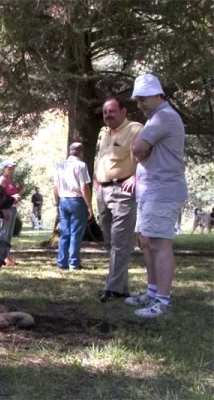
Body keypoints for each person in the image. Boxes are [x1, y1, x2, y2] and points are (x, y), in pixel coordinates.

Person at [127, 73, 188, 318]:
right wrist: (140, 150)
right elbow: (137, 152)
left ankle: (162, 301)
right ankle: (152, 292)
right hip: (150, 190)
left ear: (157, 94)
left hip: (162, 190)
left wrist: (141, 149)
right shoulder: (156, 118)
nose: (139, 104)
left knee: (160, 244)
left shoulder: (164, 117)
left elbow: (136, 149)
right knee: (147, 242)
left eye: (143, 99)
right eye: (137, 100)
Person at [95, 98, 144, 302]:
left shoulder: (135, 129)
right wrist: (97, 181)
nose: (108, 115)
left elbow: (146, 155)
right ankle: (120, 287)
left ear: (123, 111)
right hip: (103, 191)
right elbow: (103, 159)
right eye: (105, 112)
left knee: (121, 241)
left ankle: (113, 288)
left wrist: (136, 176)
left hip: (122, 190)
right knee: (109, 240)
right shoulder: (104, 133)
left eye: (112, 111)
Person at [53, 142, 92, 271]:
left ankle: (62, 262)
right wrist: (89, 206)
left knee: (65, 233)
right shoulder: (81, 165)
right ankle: (74, 263)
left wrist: (57, 202)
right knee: (76, 233)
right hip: (77, 200)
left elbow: (55, 187)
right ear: (80, 152)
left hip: (63, 200)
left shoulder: (60, 165)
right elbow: (84, 187)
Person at [0, 159, 23, 266]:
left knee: (8, 234)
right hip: (5, 209)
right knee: (3, 232)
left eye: (13, 168)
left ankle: (6, 256)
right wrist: (12, 197)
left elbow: (14, 195)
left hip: (12, 208)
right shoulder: (2, 180)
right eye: (9, 168)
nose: (11, 170)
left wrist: (20, 190)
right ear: (4, 168)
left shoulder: (10, 180)